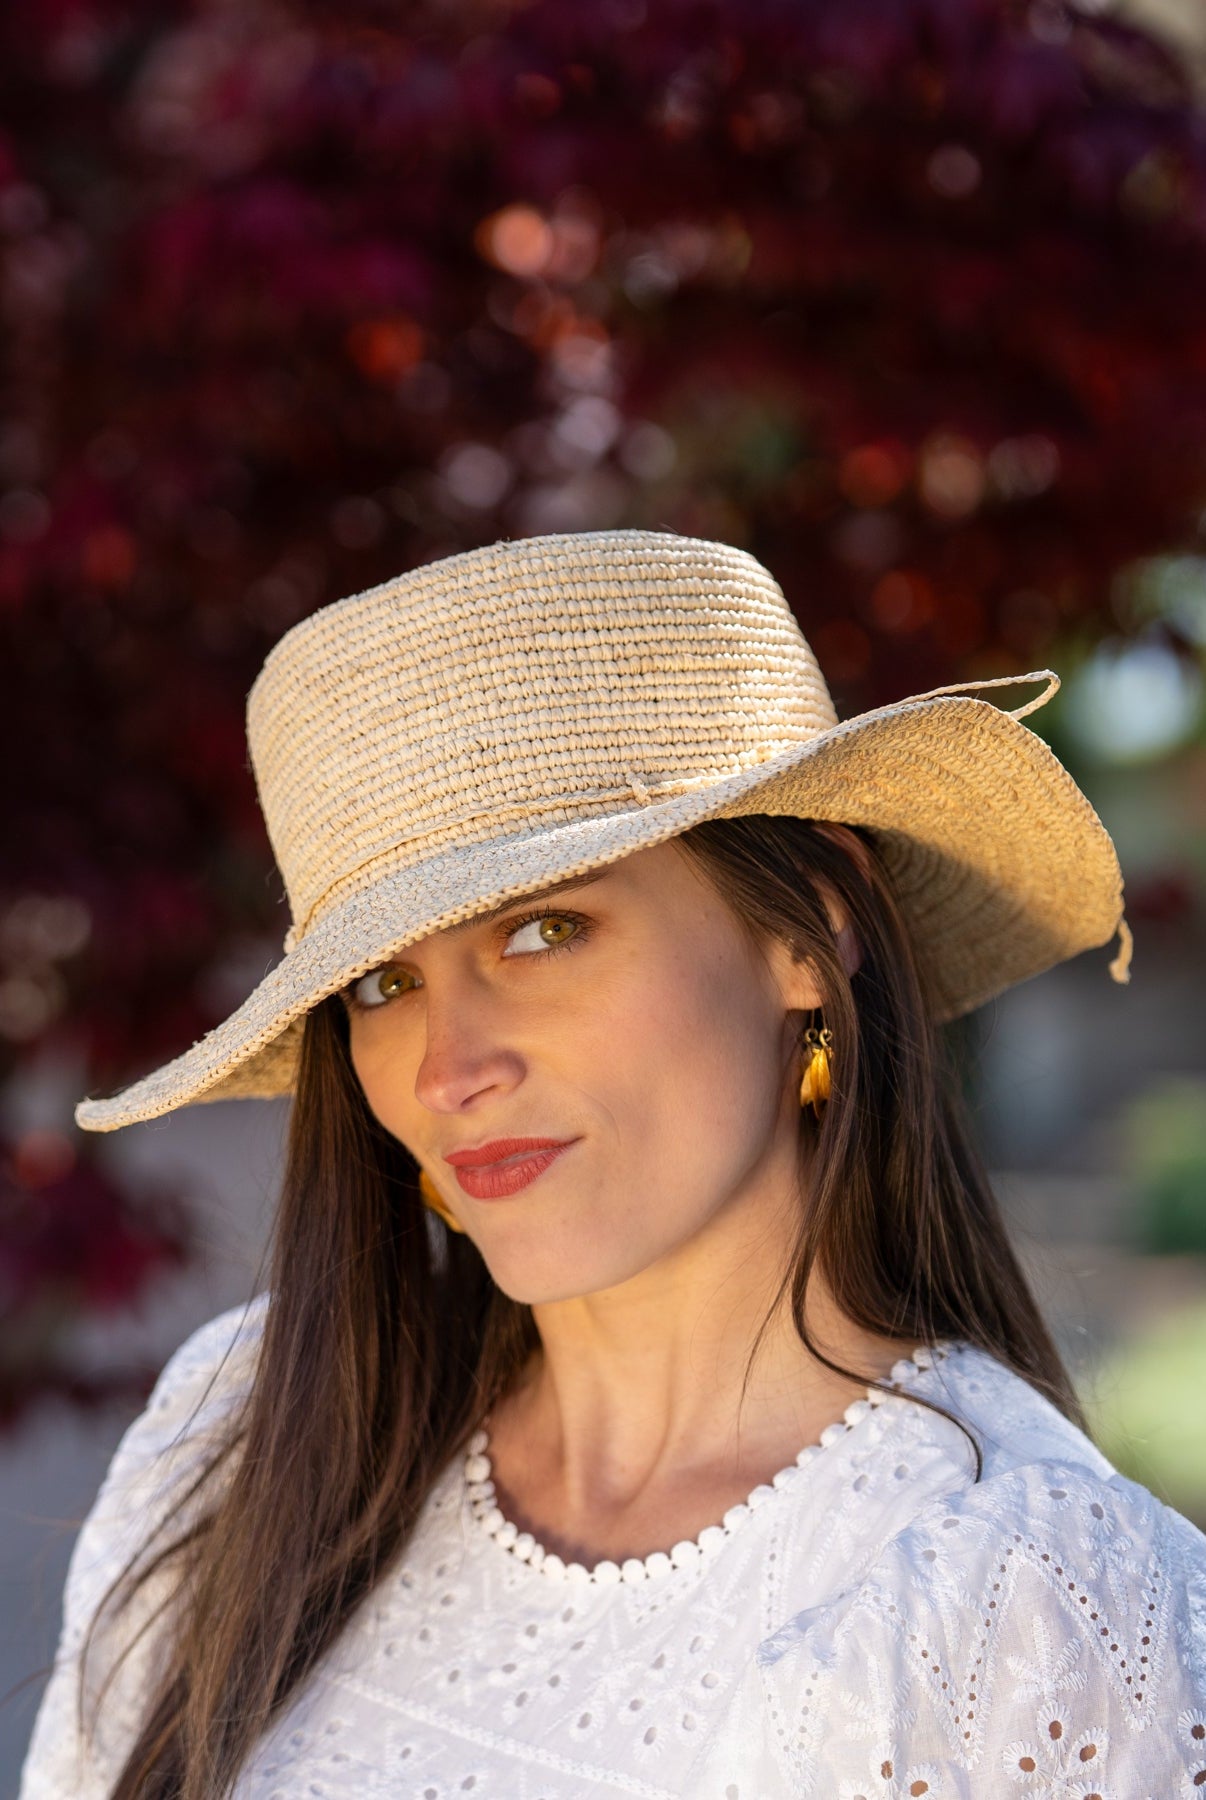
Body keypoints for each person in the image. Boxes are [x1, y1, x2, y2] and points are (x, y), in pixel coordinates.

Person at [18, 528, 1205, 1800]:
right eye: (383, 981)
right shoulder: (252, 1434)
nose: (447, 1069)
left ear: (813, 931)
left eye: (545, 928)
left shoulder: (1028, 1612)